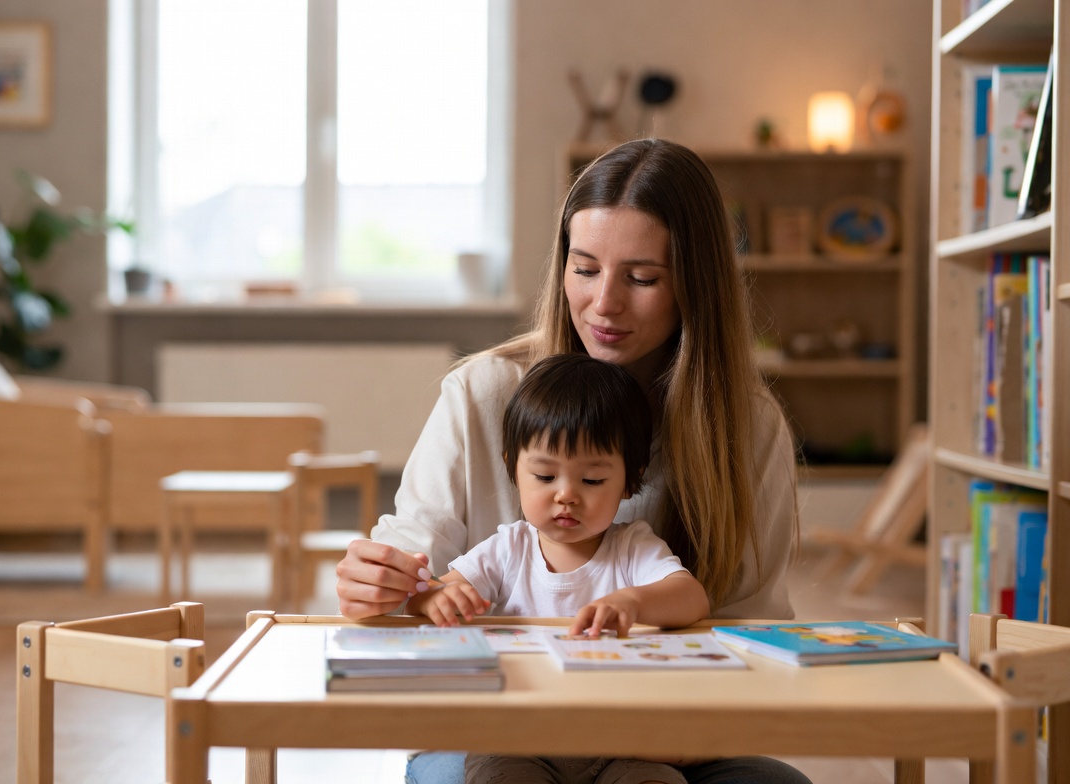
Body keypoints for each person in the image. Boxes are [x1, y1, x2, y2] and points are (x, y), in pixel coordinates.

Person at [336, 138, 808, 784]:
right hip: (500, 730)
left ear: (694, 287)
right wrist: (381, 586)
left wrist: (655, 741)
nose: (604, 303)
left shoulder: (748, 428)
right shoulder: (483, 393)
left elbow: (755, 637)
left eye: (642, 278)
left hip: (668, 741)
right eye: (584, 269)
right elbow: (412, 577)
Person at [410, 352, 708, 784]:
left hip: (624, 746)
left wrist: (633, 601)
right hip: (516, 741)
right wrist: (437, 596)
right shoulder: (508, 549)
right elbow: (428, 593)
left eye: (591, 481)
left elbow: (692, 598)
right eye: (546, 477)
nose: (566, 495)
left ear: (631, 478)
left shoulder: (631, 547)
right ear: (514, 465)